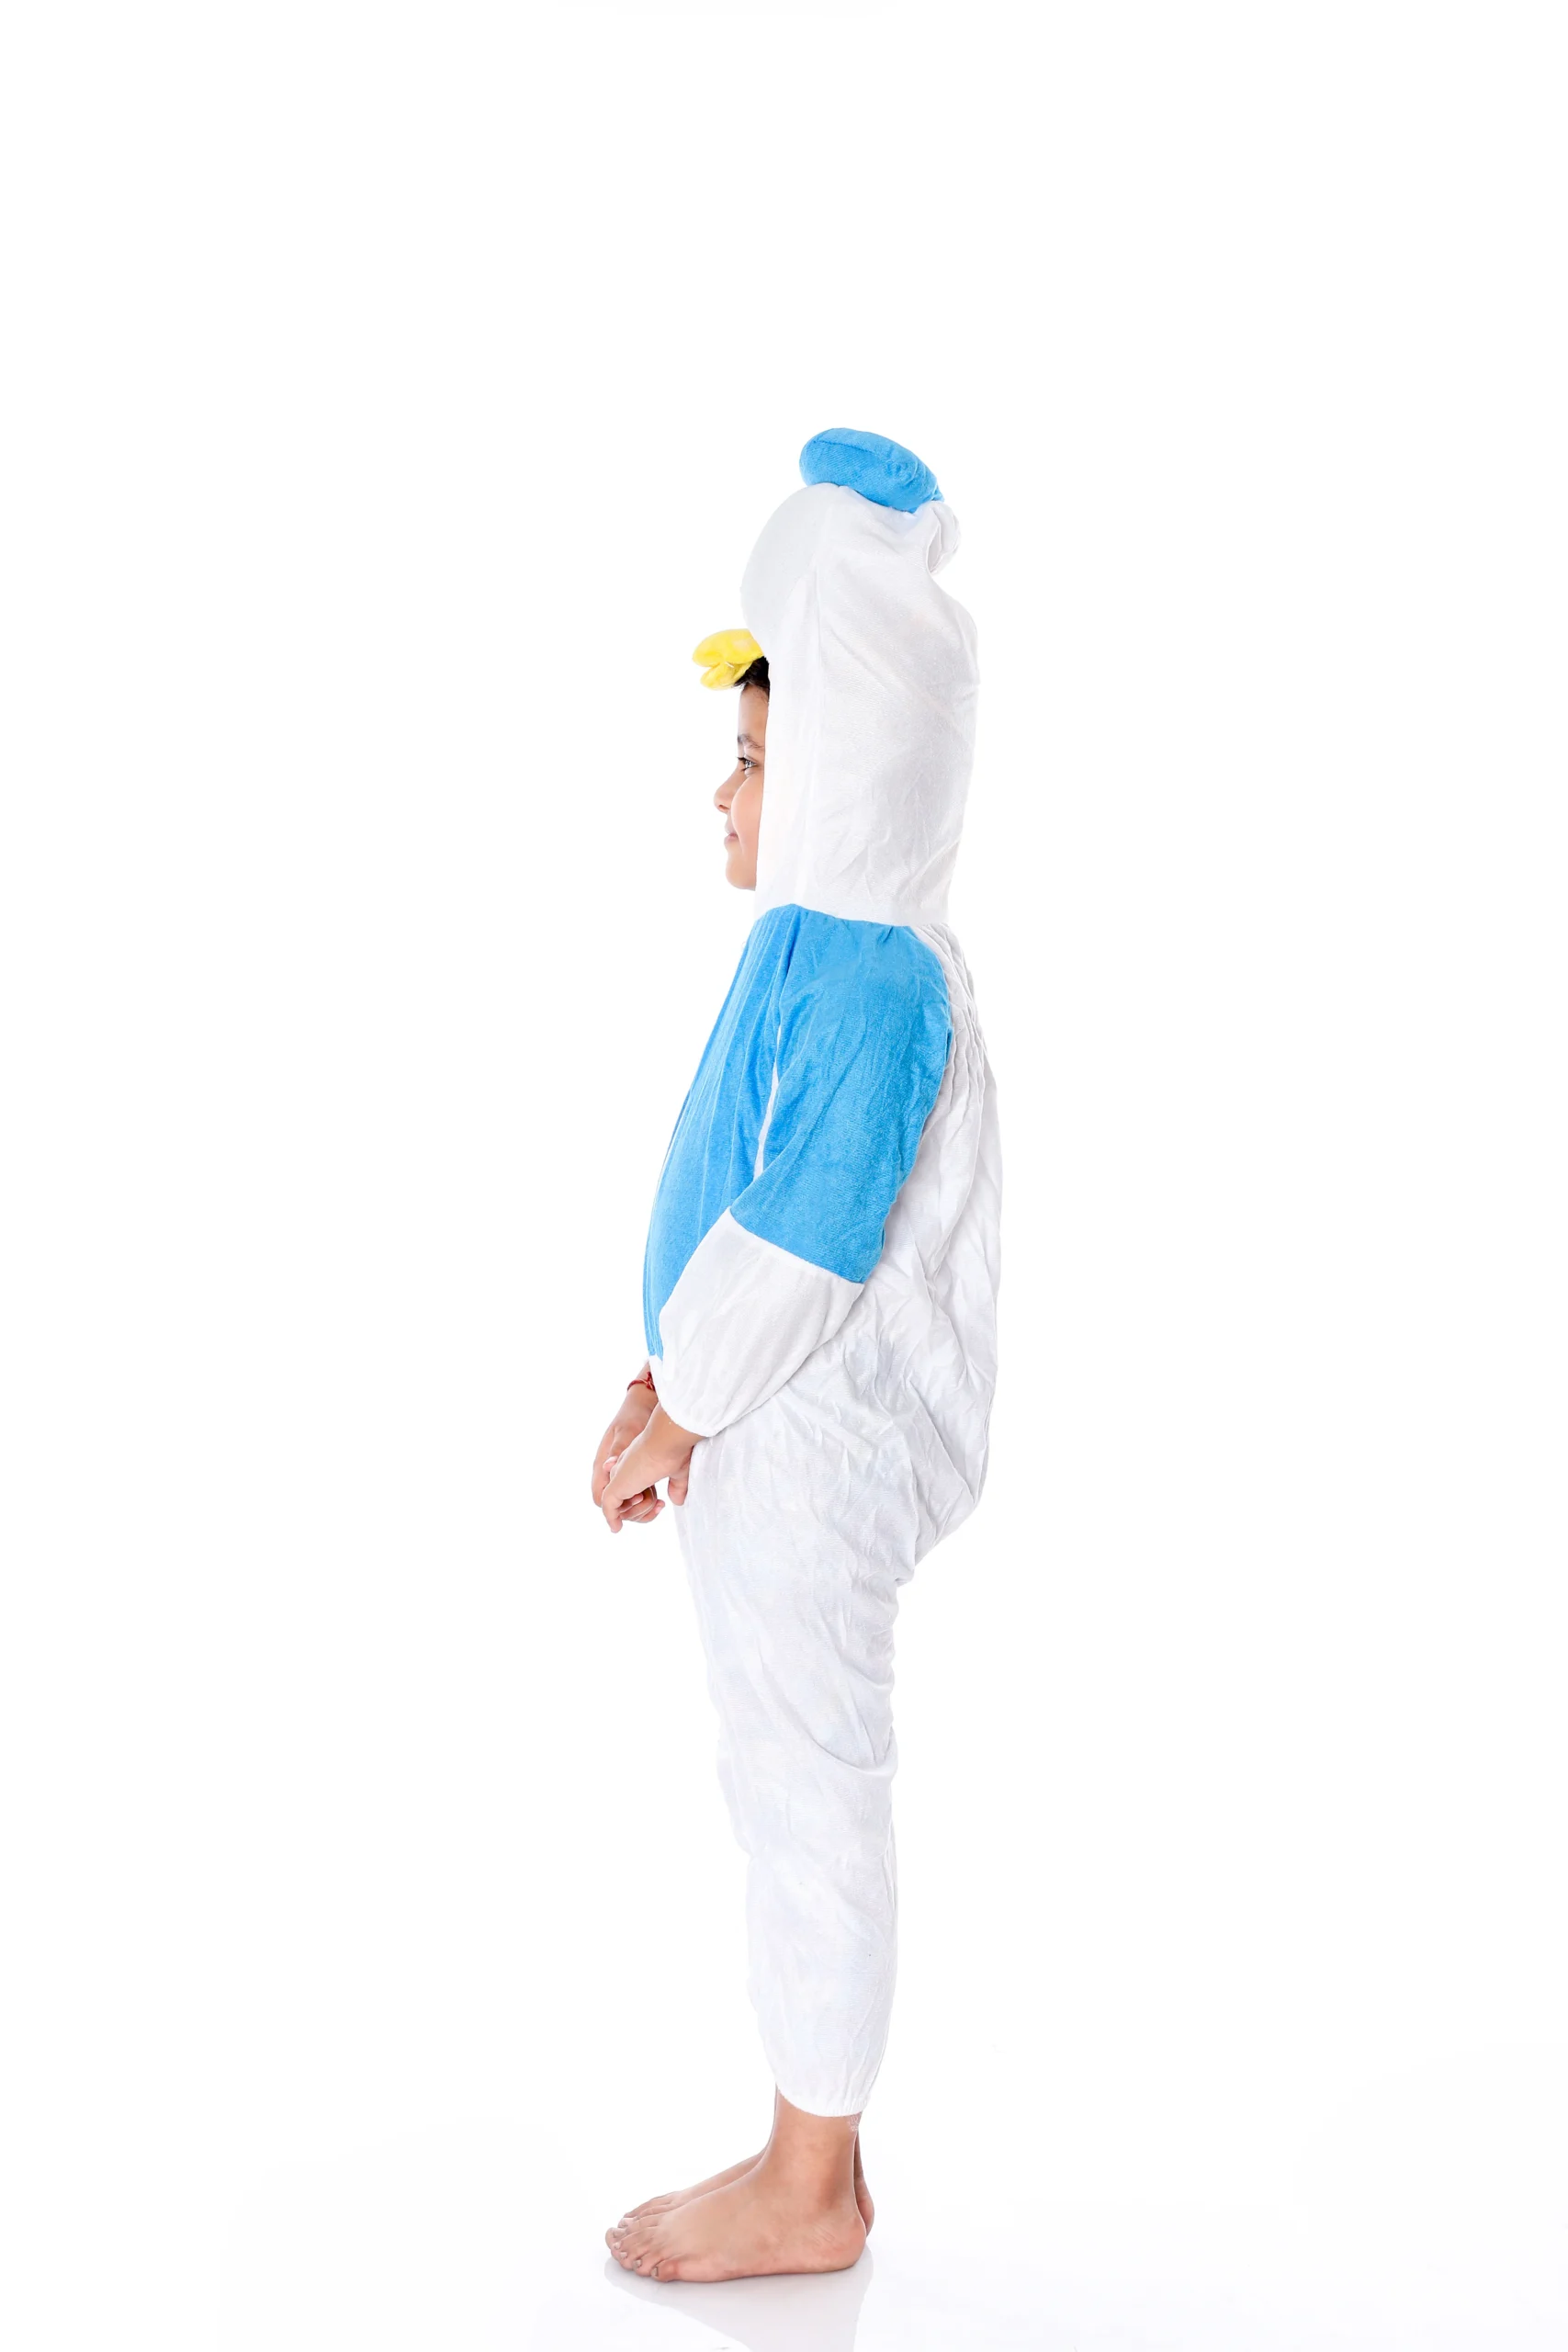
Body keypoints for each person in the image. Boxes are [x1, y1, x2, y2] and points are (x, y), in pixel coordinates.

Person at [592, 428, 1001, 2283]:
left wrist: (684, 1399)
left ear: (845, 772)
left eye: (756, 760)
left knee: (810, 1779)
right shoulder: (811, 955)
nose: (724, 793)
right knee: (775, 1773)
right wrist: (661, 1385)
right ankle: (801, 2144)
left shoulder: (874, 979)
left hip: (806, 1439)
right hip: (751, 1417)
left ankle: (812, 2174)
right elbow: (737, 1201)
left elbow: (804, 1239)